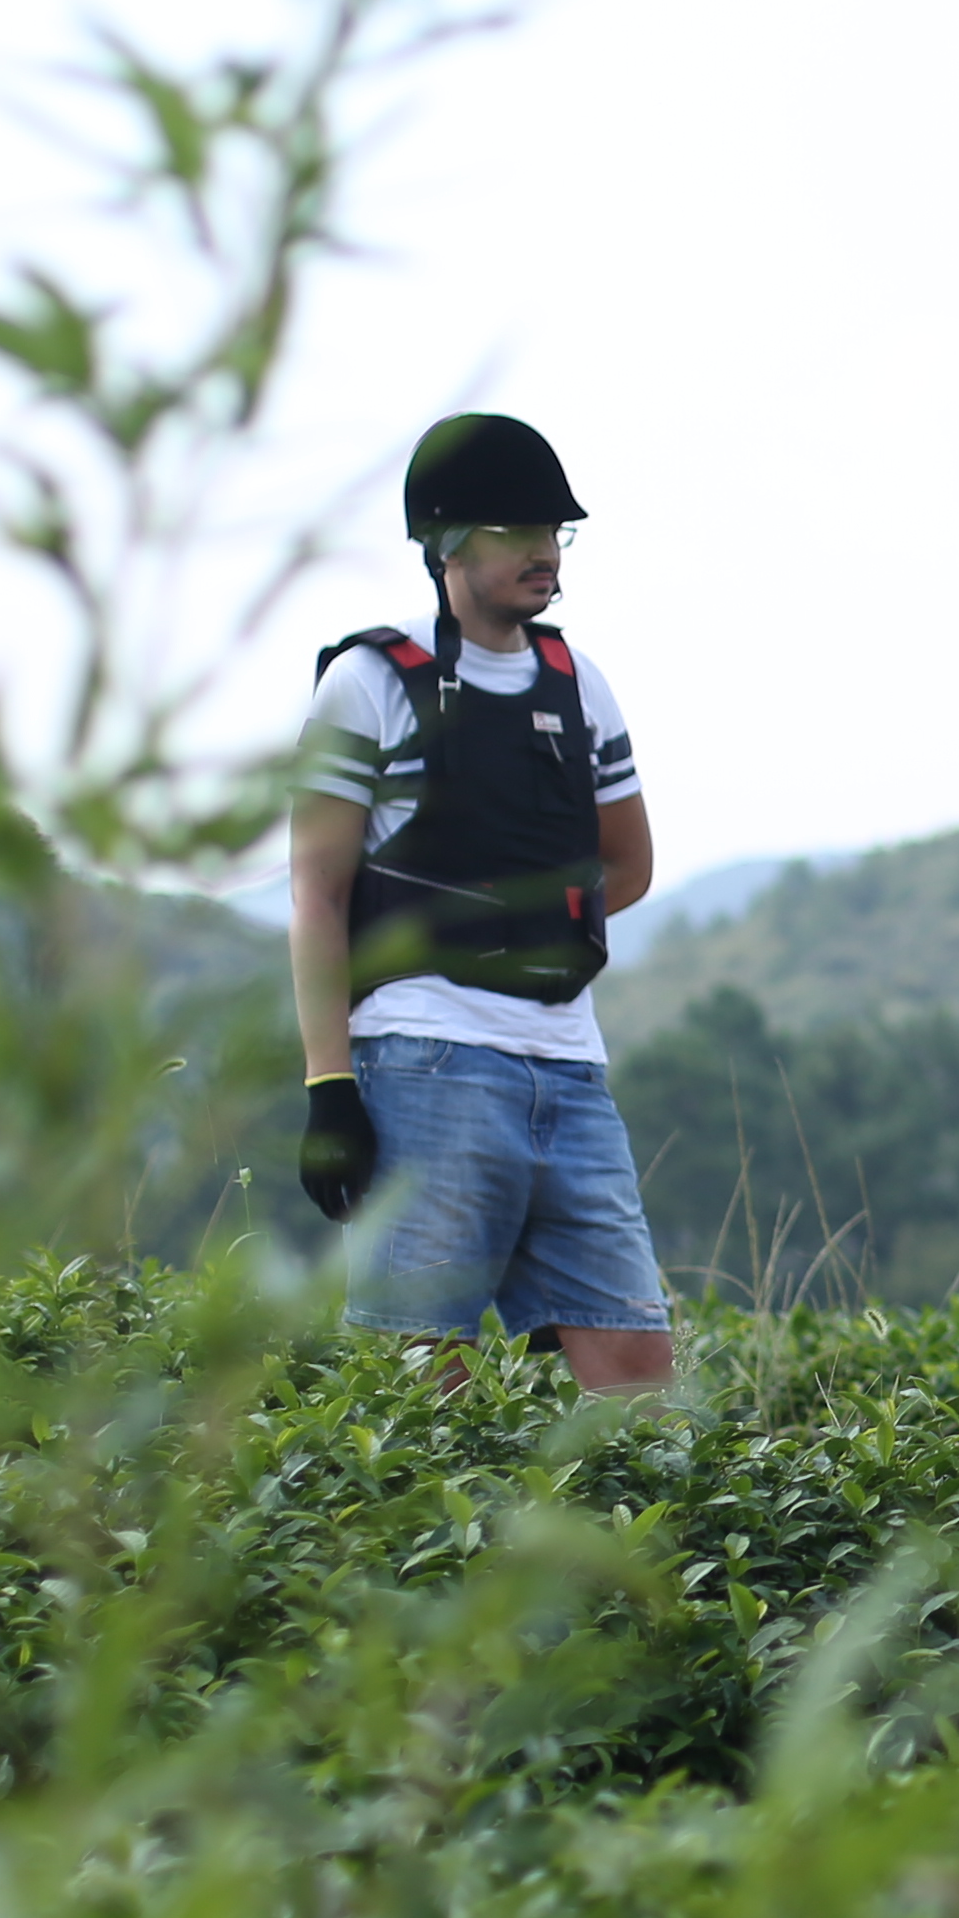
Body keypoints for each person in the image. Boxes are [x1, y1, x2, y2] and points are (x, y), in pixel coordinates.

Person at [287, 412, 674, 1393]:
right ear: (445, 542)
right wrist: (329, 1086)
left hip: (570, 1071)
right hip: (423, 1059)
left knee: (636, 1376)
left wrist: (532, 923)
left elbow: (627, 865)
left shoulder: (580, 684)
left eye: (556, 533)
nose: (546, 553)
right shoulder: (369, 683)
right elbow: (318, 892)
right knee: (425, 1384)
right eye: (518, 532)